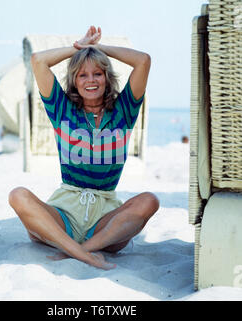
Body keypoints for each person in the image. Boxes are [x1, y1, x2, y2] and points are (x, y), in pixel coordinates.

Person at [9, 26, 159, 270]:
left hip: (105, 221)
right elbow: (38, 60)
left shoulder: (124, 111)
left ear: (107, 78)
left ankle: (78, 251)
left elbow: (143, 61)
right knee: (18, 195)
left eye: (98, 73)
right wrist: (78, 46)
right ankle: (83, 253)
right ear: (74, 82)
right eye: (82, 75)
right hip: (64, 215)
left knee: (149, 201)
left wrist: (97, 48)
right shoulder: (62, 110)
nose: (91, 80)